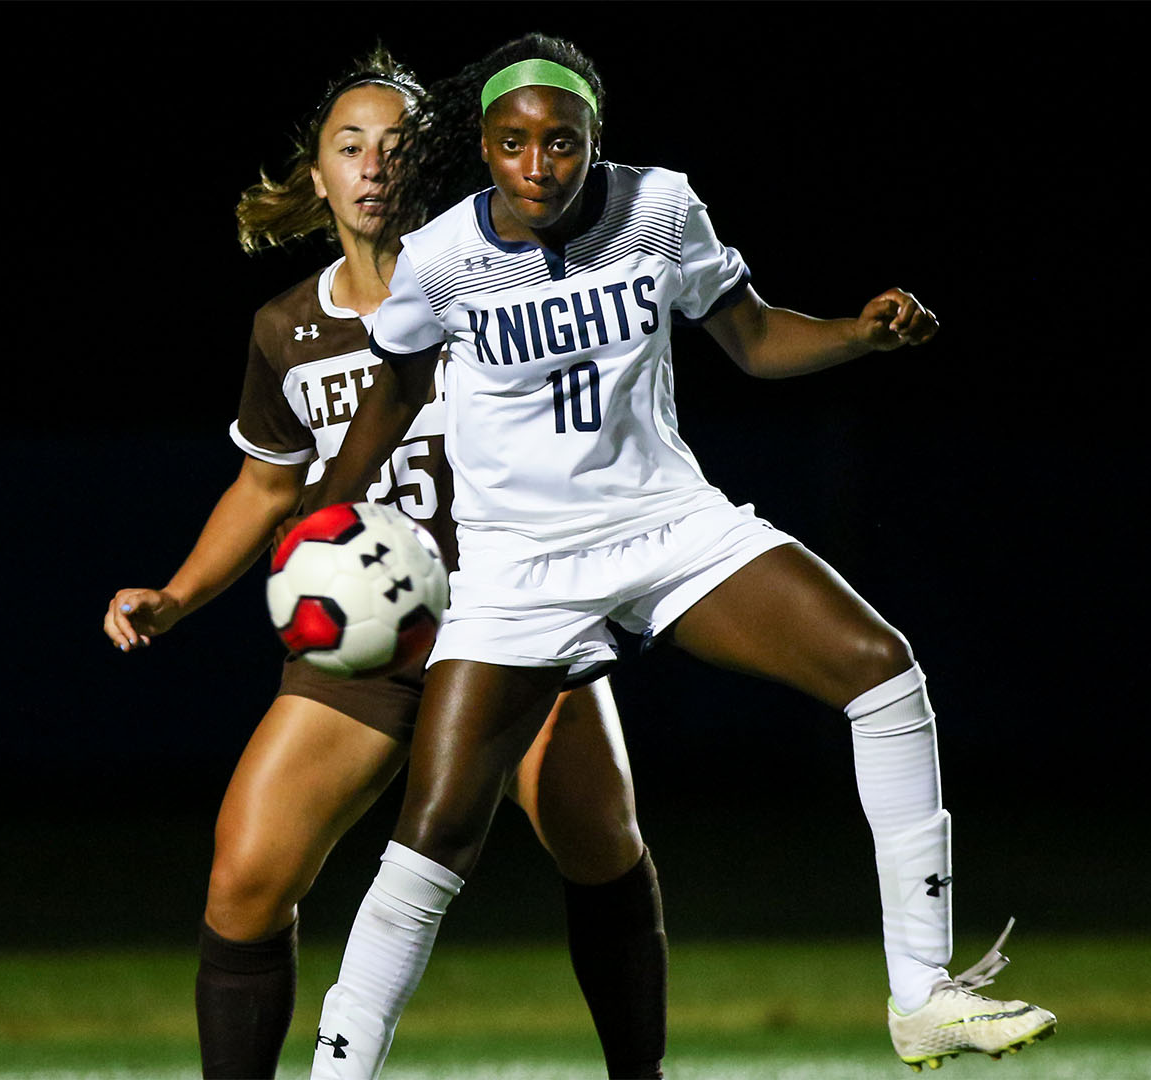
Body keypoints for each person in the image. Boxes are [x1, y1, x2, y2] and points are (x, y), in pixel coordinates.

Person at [301, 34, 1058, 1078]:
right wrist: (322, 523)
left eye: (560, 143)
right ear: (483, 145)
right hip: (518, 564)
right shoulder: (438, 258)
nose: (537, 166)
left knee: (881, 671)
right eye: (513, 143)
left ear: (593, 141)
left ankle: (921, 993)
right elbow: (388, 397)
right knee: (435, 833)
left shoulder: (658, 208)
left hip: (666, 525)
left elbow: (748, 337)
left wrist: (856, 333)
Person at [102, 49, 667, 1080]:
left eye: (397, 149)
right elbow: (268, 489)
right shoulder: (285, 327)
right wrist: (177, 595)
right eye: (349, 147)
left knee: (604, 846)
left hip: (514, 619)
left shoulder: (498, 285)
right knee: (243, 880)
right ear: (316, 176)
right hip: (366, 640)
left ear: (431, 170)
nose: (373, 167)